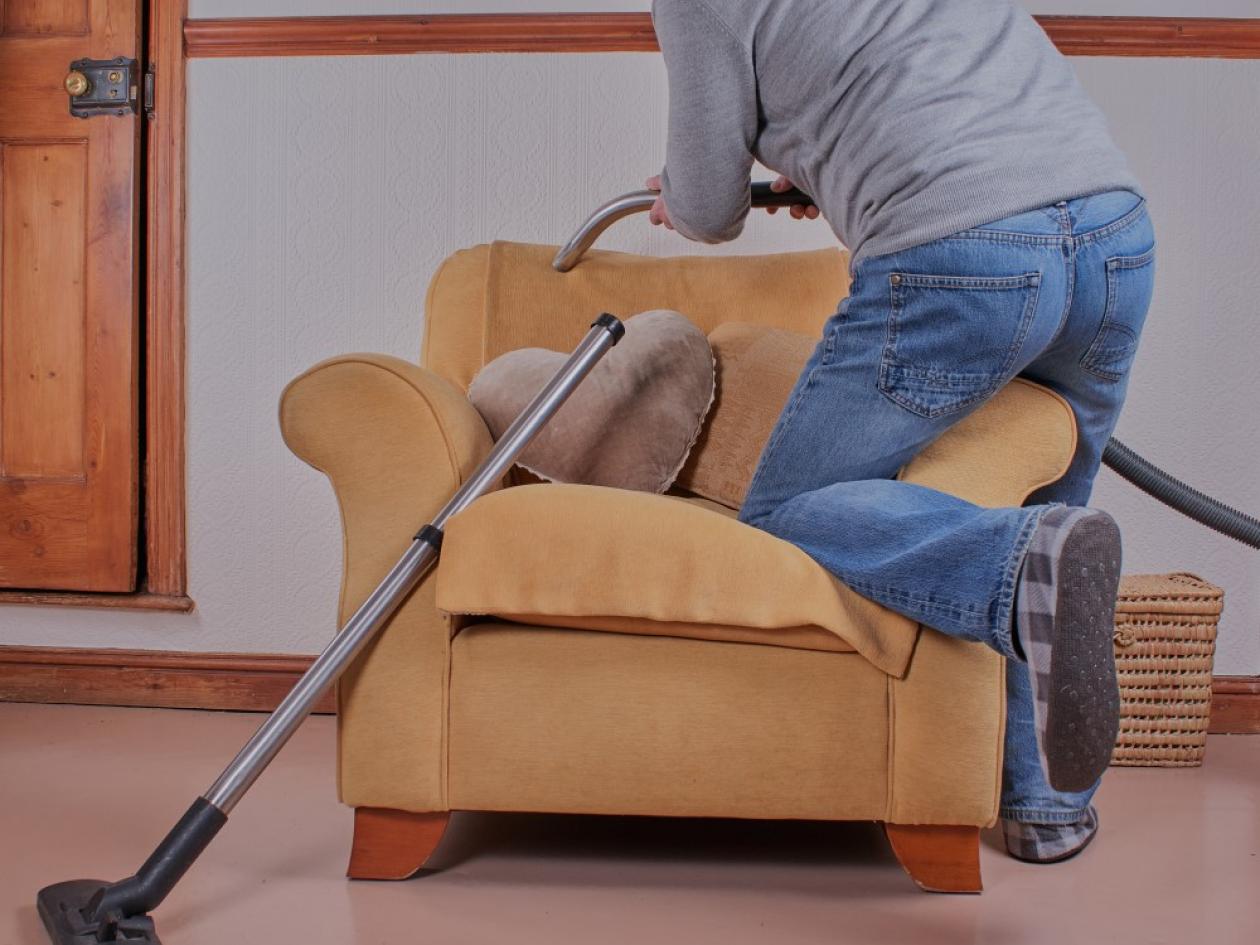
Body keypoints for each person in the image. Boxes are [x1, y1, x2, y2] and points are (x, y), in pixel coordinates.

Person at [647, 0, 1155, 864]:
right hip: (1114, 232)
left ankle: (1013, 565)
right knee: (1055, 493)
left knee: (790, 506)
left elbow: (706, 198)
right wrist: (824, 165)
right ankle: (1046, 807)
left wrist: (680, 202)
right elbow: (911, 68)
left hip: (963, 252)